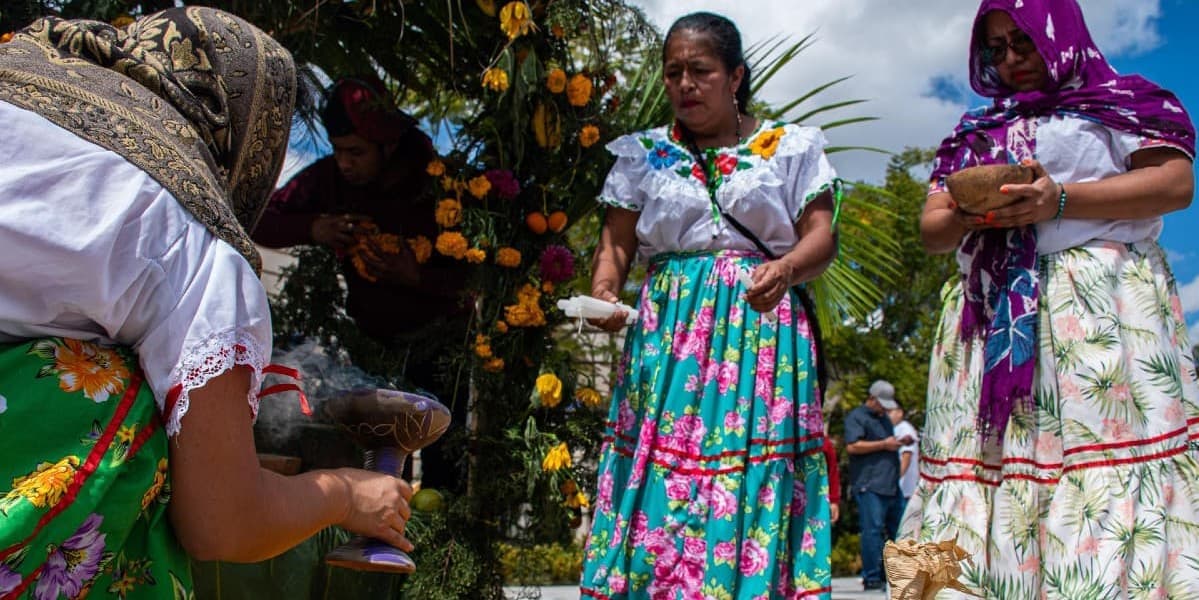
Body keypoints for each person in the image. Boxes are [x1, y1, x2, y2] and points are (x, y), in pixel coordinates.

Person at [0, 9, 414, 597]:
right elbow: (223, 523)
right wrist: (346, 496)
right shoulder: (184, 224)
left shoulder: (18, 91)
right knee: (126, 395)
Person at [901, 0, 1199, 596]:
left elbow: (1175, 184)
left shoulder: (1125, 104)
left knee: (1101, 460)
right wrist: (973, 213)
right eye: (996, 48)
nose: (1011, 58)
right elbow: (933, 231)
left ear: (1061, 35)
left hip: (1098, 314)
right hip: (991, 320)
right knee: (985, 469)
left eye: (1025, 41)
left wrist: (1059, 200)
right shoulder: (975, 131)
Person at [578, 11, 839, 598]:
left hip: (762, 329)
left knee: (753, 467)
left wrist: (786, 268)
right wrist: (604, 293)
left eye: (700, 70)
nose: (685, 84)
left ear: (735, 76)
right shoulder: (642, 155)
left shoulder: (788, 148)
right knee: (662, 468)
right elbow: (614, 246)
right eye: (673, 73)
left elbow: (821, 237)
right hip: (669, 338)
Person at [252, 77, 470, 492]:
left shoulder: (434, 184)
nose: (345, 163)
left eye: (356, 152)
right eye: (338, 151)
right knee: (375, 459)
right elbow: (261, 217)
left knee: (443, 464)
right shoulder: (329, 179)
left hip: (442, 346)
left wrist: (416, 275)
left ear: (388, 146)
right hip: (371, 343)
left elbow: (474, 277)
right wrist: (314, 228)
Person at [845, 380, 905, 591]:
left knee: (898, 530)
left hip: (891, 484)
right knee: (872, 531)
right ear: (871, 398)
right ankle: (871, 576)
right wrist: (883, 445)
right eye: (881, 404)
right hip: (870, 484)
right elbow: (852, 446)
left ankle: (892, 574)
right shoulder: (857, 417)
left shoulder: (885, 419)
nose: (884, 409)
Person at [887, 403, 919, 512]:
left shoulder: (905, 430)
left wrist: (894, 480)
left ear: (900, 413)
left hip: (904, 489)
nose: (887, 415)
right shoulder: (894, 429)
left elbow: (906, 457)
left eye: (890, 412)